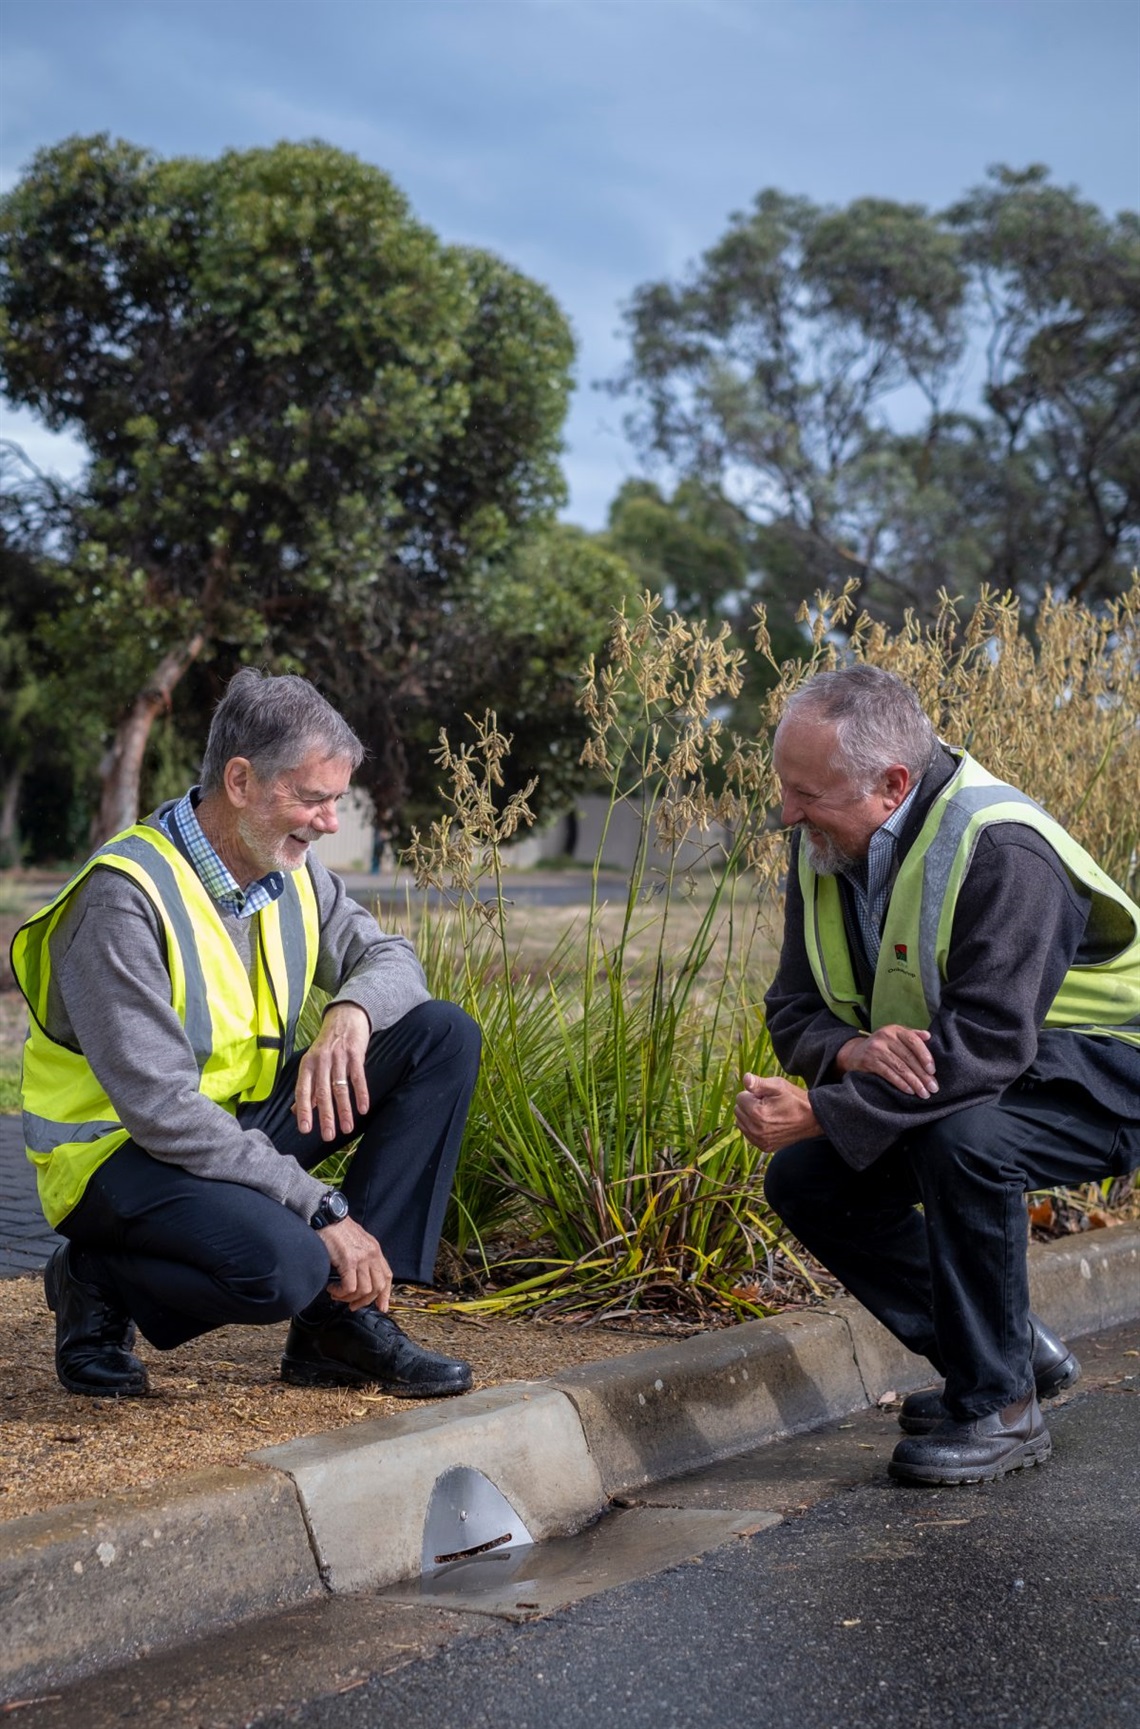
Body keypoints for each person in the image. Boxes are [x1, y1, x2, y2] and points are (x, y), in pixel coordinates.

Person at [13, 670, 482, 1401]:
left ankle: (340, 1327)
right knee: (287, 1264)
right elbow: (164, 1109)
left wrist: (349, 1012)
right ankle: (93, 1275)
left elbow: (392, 958)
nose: (329, 821)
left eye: (335, 799)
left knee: (440, 1035)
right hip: (113, 1155)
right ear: (239, 779)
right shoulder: (122, 899)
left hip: (224, 1126)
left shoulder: (288, 867)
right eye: (314, 797)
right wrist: (321, 1207)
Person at [735, 665, 1140, 1487]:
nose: (787, 812)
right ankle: (1006, 1351)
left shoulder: (1002, 847)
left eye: (807, 792)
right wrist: (849, 1054)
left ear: (891, 784)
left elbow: (986, 1046)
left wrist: (821, 1109)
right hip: (994, 1071)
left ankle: (1002, 1406)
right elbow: (792, 1006)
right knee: (809, 1181)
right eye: (786, 787)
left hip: (1111, 1071)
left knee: (965, 1139)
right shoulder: (826, 842)